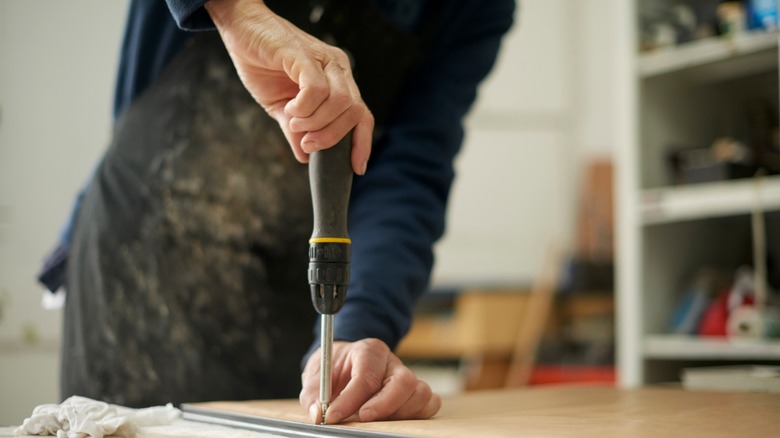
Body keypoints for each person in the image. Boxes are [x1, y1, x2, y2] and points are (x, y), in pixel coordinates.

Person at [39, 0, 515, 425]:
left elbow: (408, 172)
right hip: (141, 273)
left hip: (291, 301)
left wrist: (356, 329)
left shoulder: (469, 8)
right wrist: (233, 11)